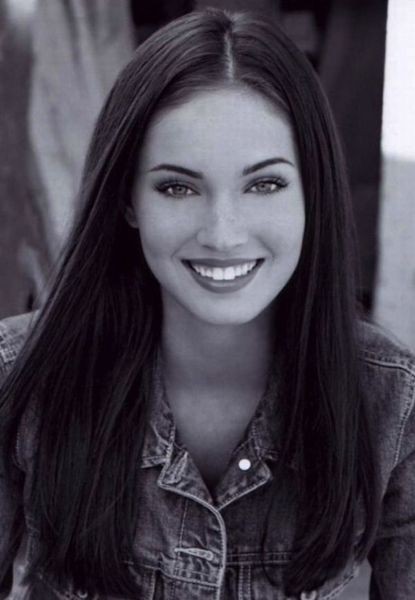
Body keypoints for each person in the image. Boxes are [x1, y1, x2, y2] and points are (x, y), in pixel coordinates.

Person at [0, 8, 414, 600]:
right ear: (128, 202)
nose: (222, 234)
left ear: (312, 193)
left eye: (264, 184)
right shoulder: (18, 377)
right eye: (177, 187)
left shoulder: (393, 401)